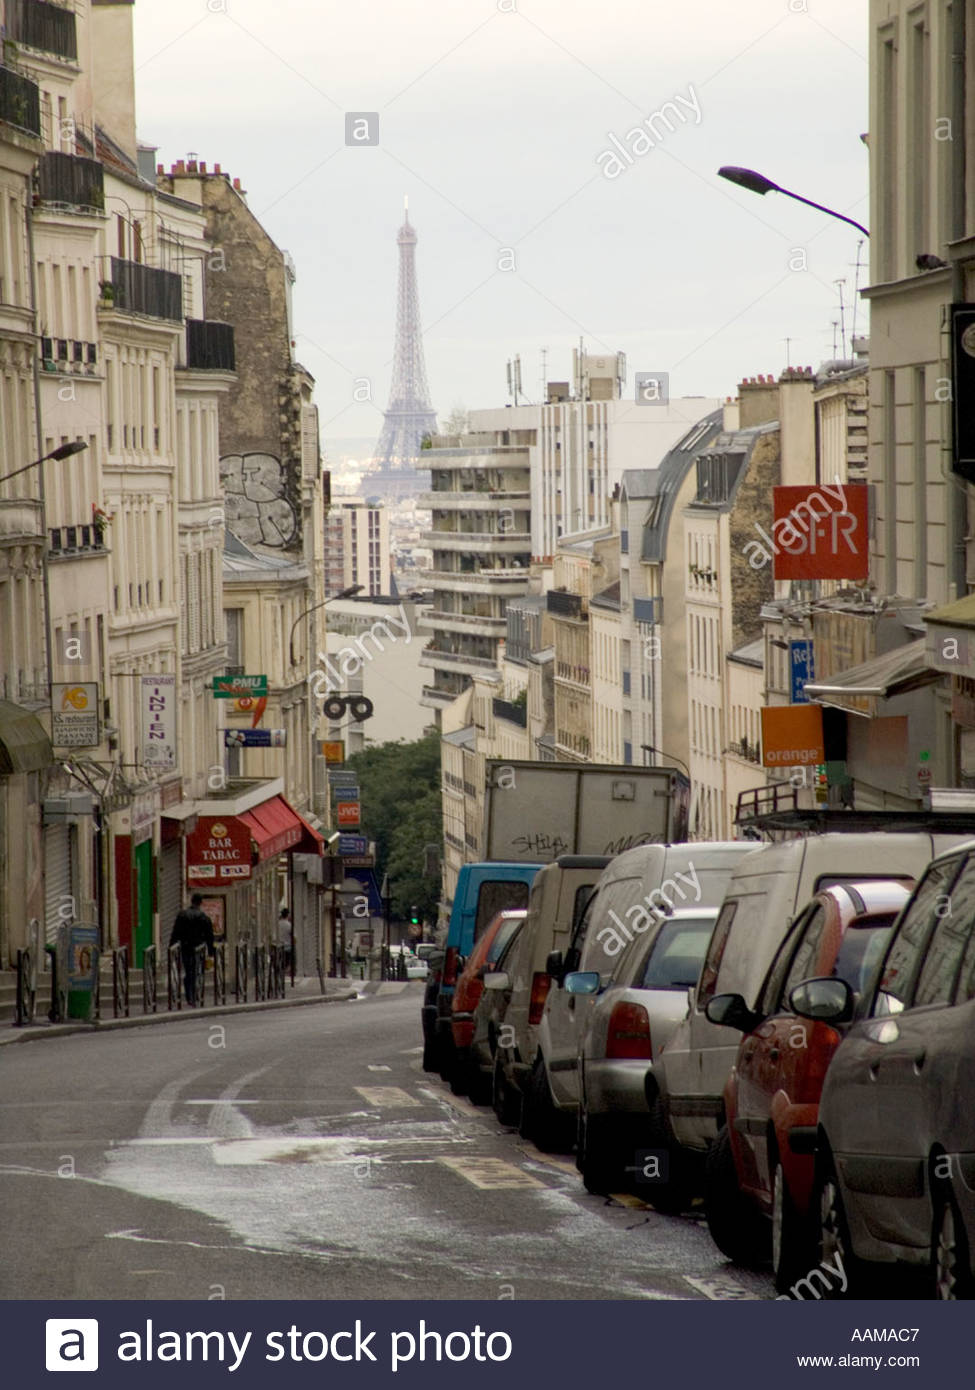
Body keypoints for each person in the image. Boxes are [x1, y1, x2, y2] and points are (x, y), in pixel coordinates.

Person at [170, 893, 214, 1004]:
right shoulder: (204, 917)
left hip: (185, 947)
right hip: (198, 948)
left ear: (191, 901)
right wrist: (211, 950)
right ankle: (194, 994)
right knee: (196, 970)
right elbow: (209, 935)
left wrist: (171, 946)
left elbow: (175, 932)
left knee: (189, 970)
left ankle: (189, 992)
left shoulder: (182, 915)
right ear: (201, 903)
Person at [276, 906, 293, 972]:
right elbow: (294, 937)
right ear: (288, 915)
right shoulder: (289, 925)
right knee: (288, 961)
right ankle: (289, 969)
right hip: (287, 948)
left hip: (278, 946)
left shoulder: (277, 924)